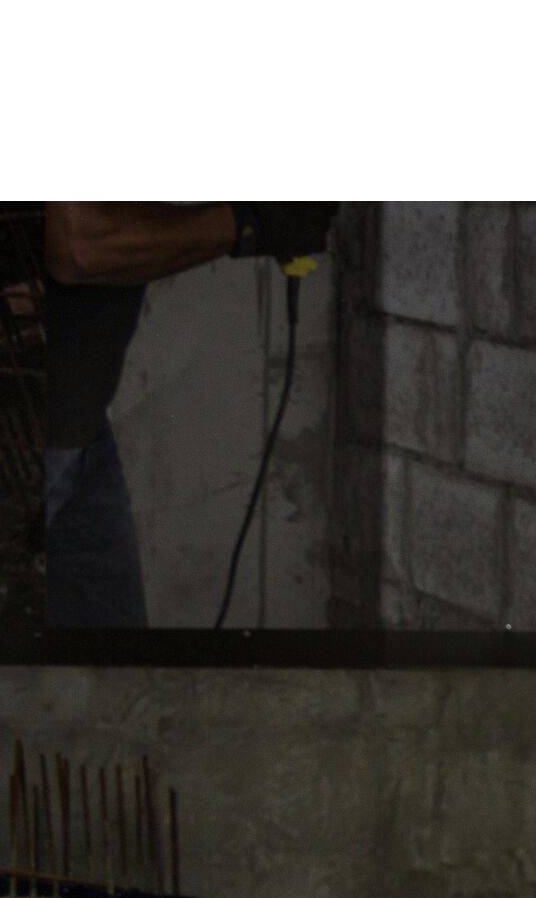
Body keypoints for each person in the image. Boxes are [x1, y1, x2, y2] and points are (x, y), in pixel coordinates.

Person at [43, 203, 336, 626]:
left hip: (82, 429)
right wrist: (249, 221)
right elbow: (78, 246)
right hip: (32, 435)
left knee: (114, 670)